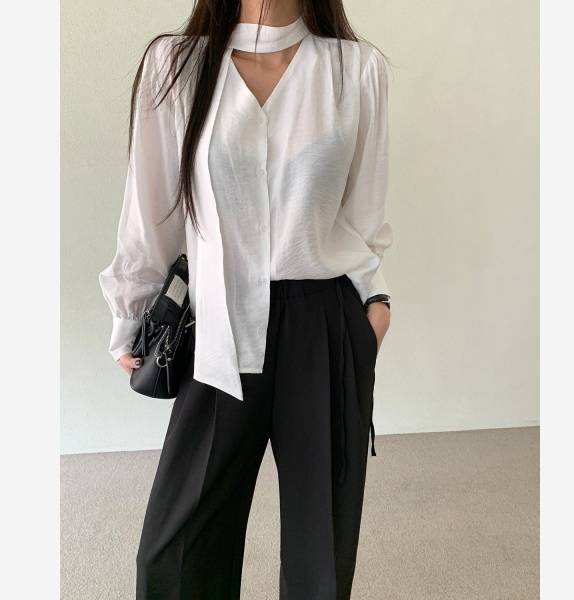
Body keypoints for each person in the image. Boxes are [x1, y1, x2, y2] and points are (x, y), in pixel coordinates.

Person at [98, 0, 393, 597]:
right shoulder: (176, 65)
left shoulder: (356, 69)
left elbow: (364, 216)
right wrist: (132, 310)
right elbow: (152, 213)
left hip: (324, 323)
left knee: (320, 556)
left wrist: (374, 310)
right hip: (217, 321)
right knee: (174, 557)